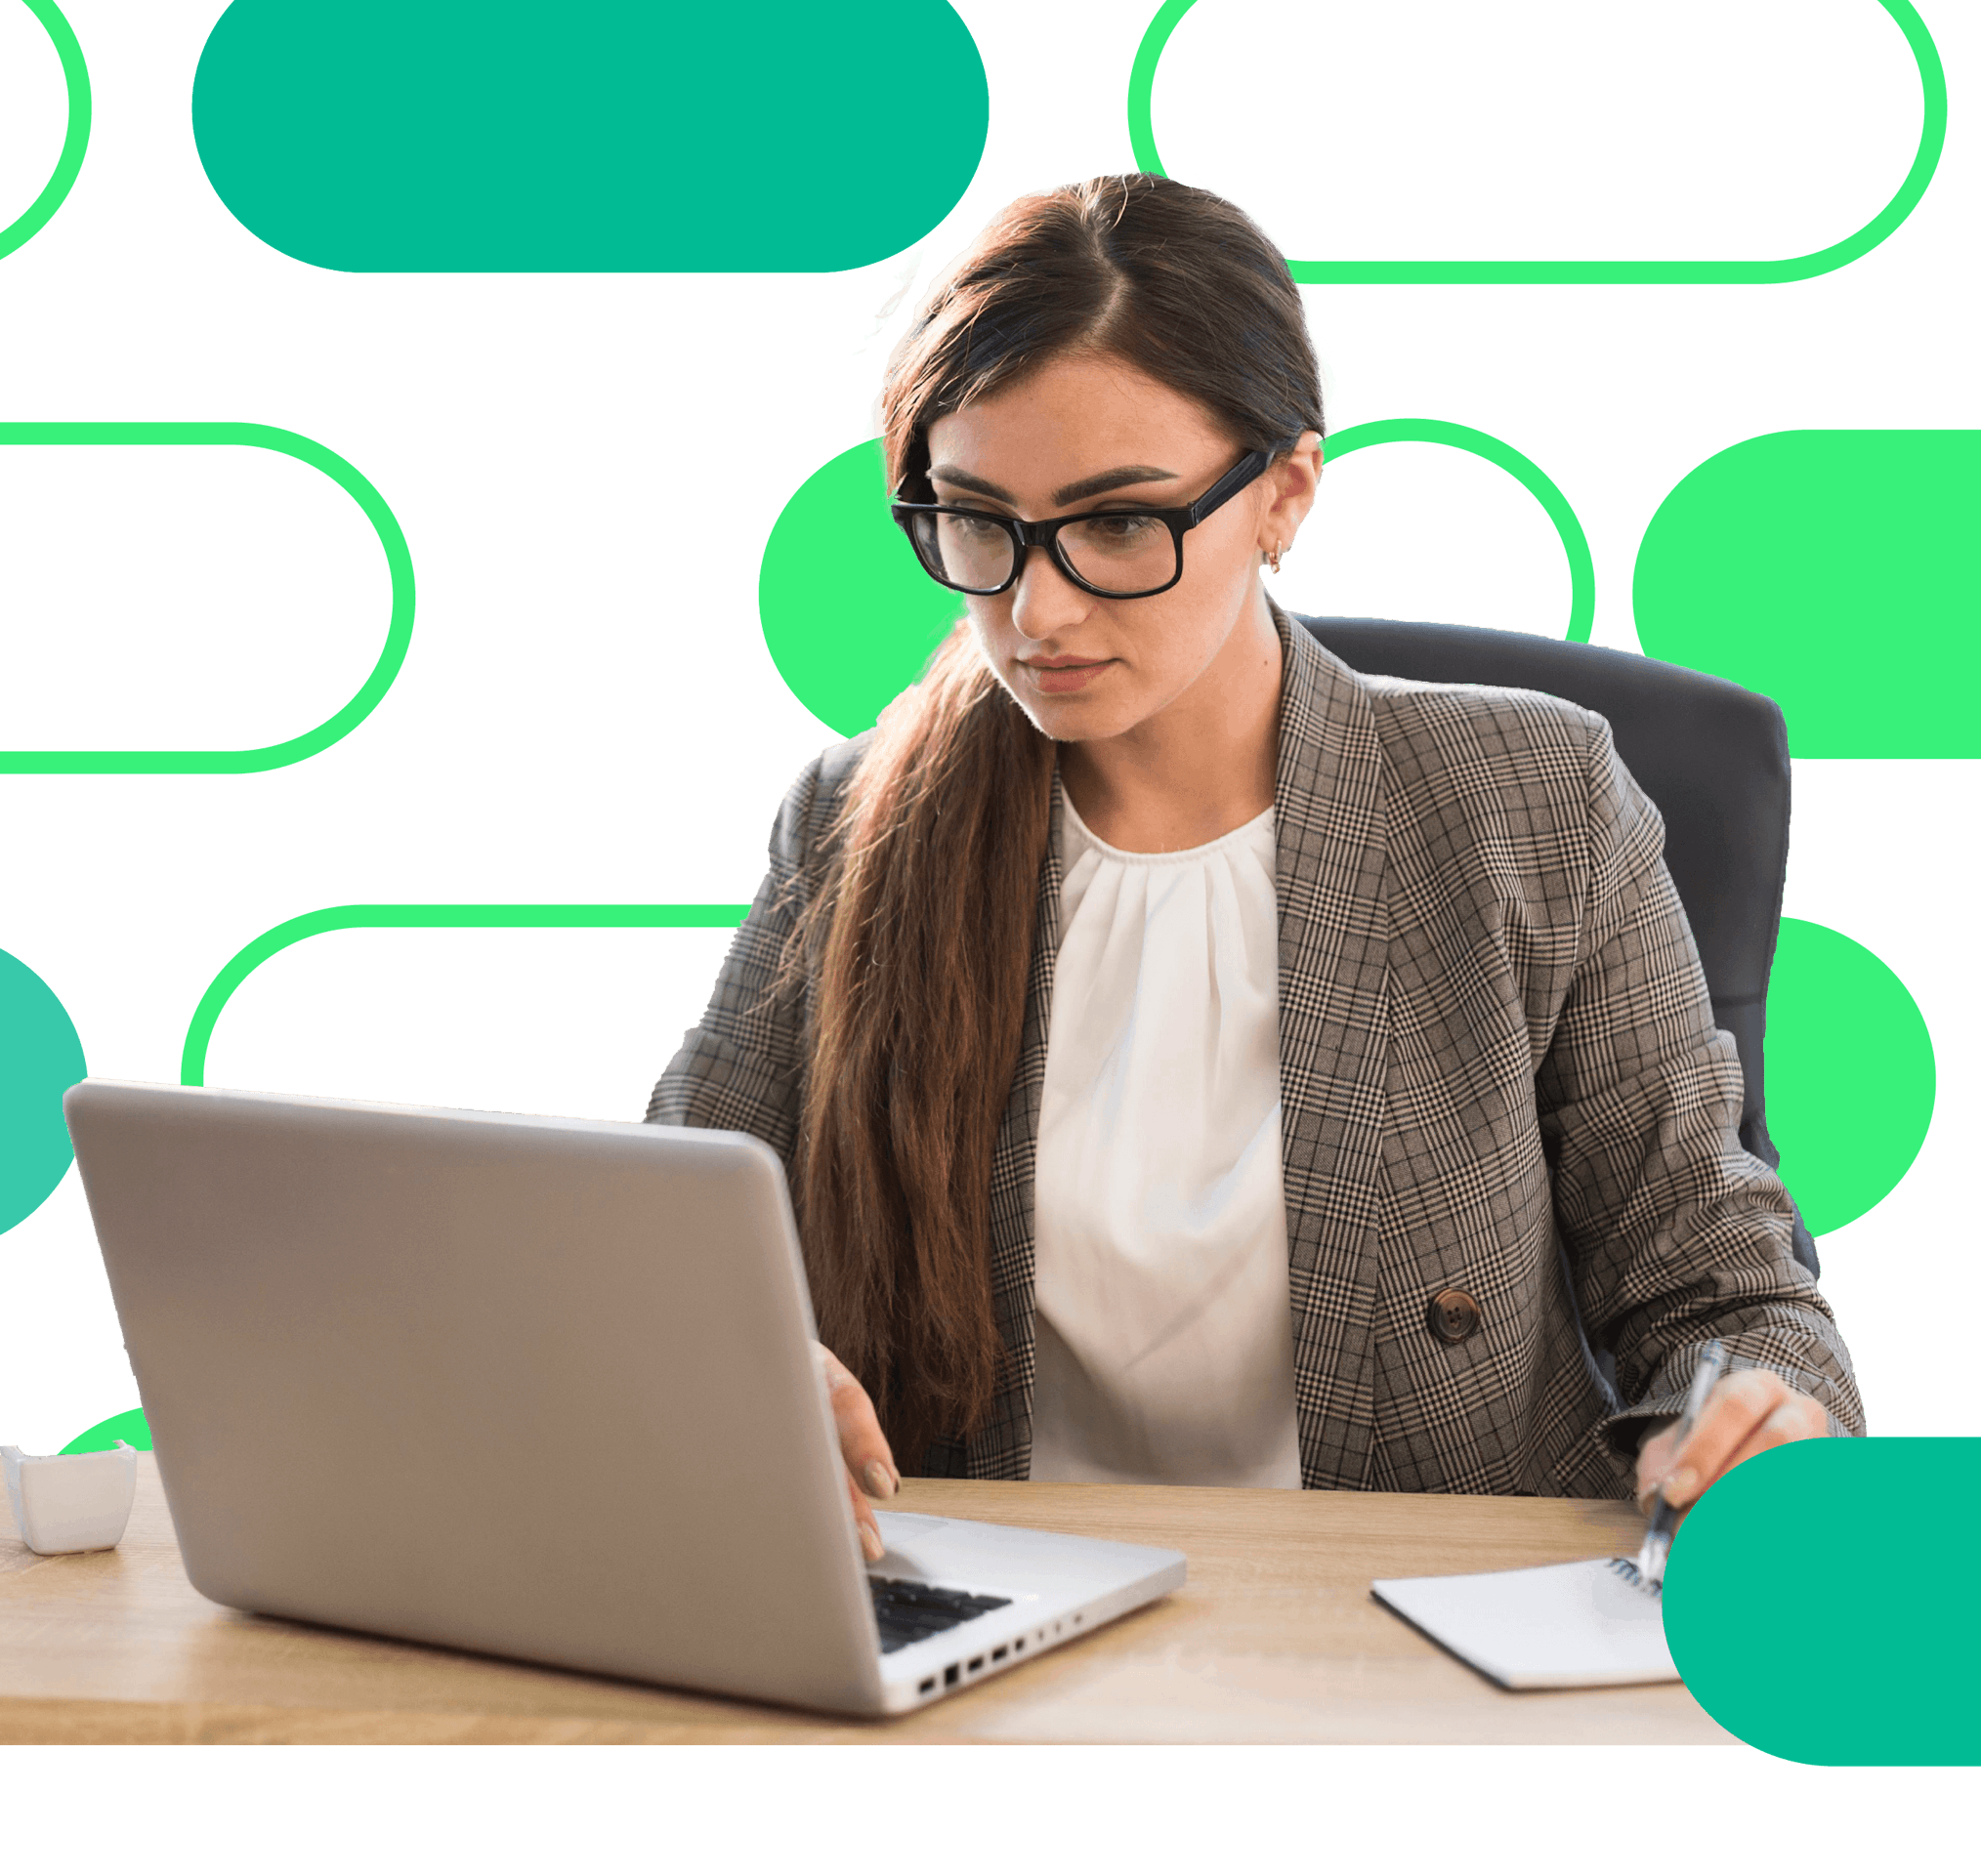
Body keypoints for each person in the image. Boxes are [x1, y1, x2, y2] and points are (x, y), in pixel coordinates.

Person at [653, 172, 1862, 1565]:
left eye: (1117, 524)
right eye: (976, 521)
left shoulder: (1533, 802)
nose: (1033, 610)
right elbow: (668, 1246)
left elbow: (1717, 1280)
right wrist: (724, 1376)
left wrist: (1770, 1411)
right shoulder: (854, 823)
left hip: (1428, 1637)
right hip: (980, 1631)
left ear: (1285, 489)